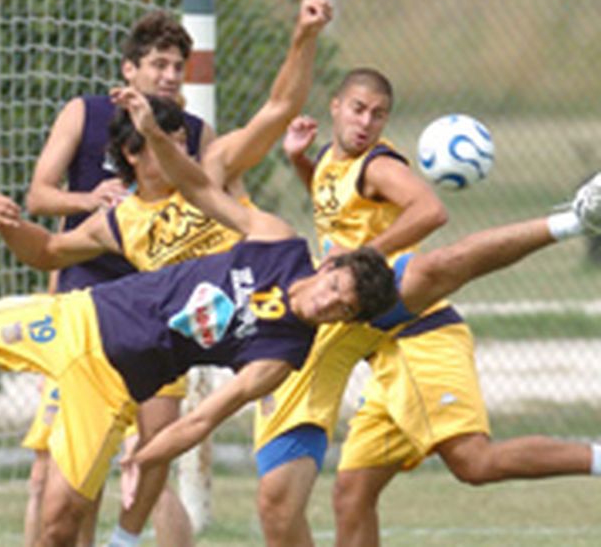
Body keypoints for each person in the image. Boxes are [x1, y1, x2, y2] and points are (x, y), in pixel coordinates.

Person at [0, 86, 601, 547]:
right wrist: (148, 130)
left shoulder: (280, 353)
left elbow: (205, 416)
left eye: (343, 303)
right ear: (331, 263)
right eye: (338, 284)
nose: (330, 296)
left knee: (57, 522)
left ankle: (569, 219)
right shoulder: (274, 238)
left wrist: (143, 453)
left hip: (117, 380)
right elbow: (199, 184)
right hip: (85, 320)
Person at [12, 0, 331, 545]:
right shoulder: (93, 139)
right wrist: (79, 204)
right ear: (128, 73)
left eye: (176, 67)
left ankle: (125, 539)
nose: (168, 76)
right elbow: (45, 235)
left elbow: (276, 111)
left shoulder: (204, 168)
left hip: (168, 319)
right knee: (59, 478)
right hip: (89, 305)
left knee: (156, 453)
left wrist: (303, 36)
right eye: (157, 64)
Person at [249, 68, 601, 547]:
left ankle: (572, 221)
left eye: (378, 115)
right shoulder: (332, 160)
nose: (366, 122)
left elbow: (431, 212)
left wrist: (364, 255)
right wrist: (299, 162)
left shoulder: (378, 165)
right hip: (383, 351)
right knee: (352, 493)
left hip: (417, 333)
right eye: (358, 109)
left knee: (474, 463)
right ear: (335, 106)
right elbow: (335, 206)